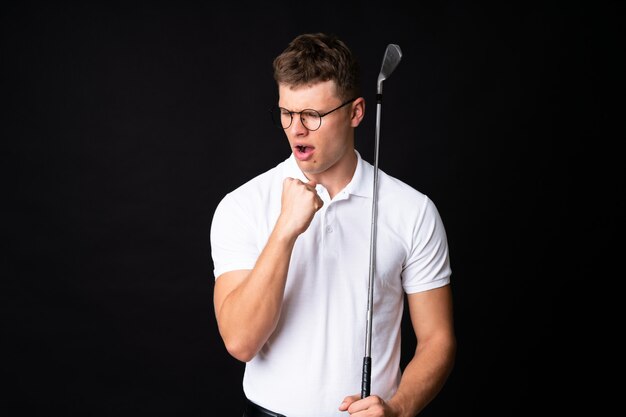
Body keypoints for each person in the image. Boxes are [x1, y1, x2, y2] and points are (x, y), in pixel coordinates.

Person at [210, 32, 456, 417]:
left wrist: (399, 408)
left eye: (313, 115)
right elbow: (241, 341)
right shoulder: (242, 205)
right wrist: (285, 231)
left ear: (356, 112)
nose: (296, 129)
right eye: (286, 113)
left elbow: (437, 339)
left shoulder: (413, 210)